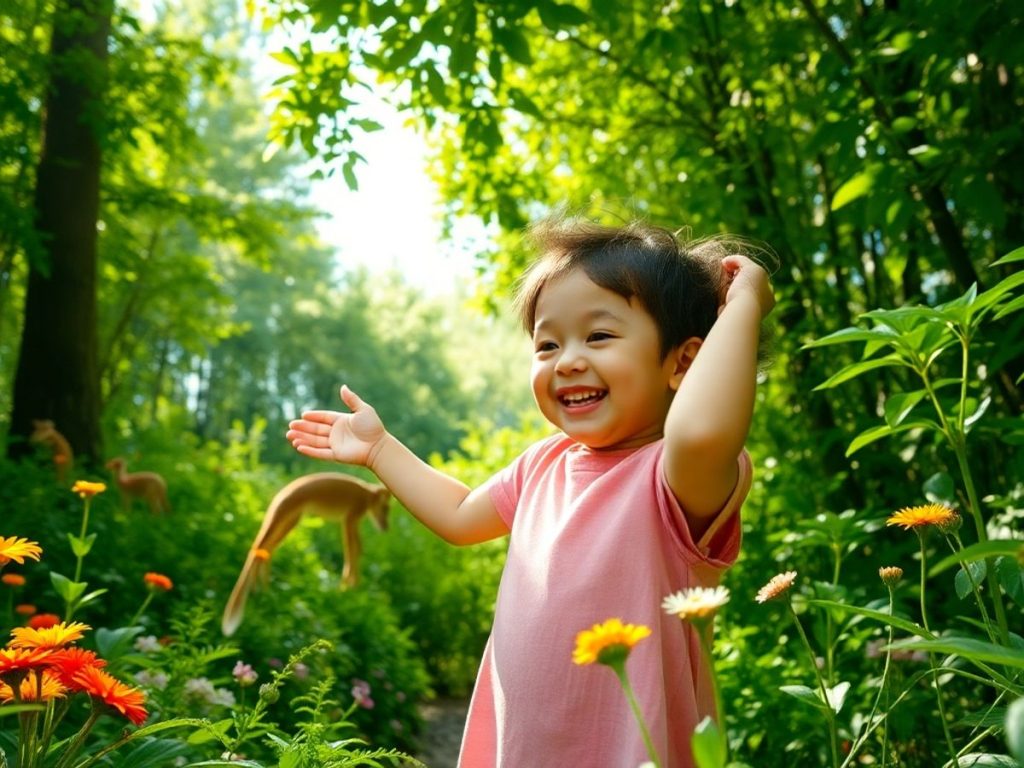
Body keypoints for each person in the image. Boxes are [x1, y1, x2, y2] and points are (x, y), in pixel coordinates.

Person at [286, 215, 775, 768]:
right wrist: (380, 451)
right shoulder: (543, 464)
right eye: (547, 344)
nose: (567, 360)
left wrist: (743, 306)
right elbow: (458, 515)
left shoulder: (676, 476)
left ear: (683, 362)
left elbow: (703, 429)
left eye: (599, 335)